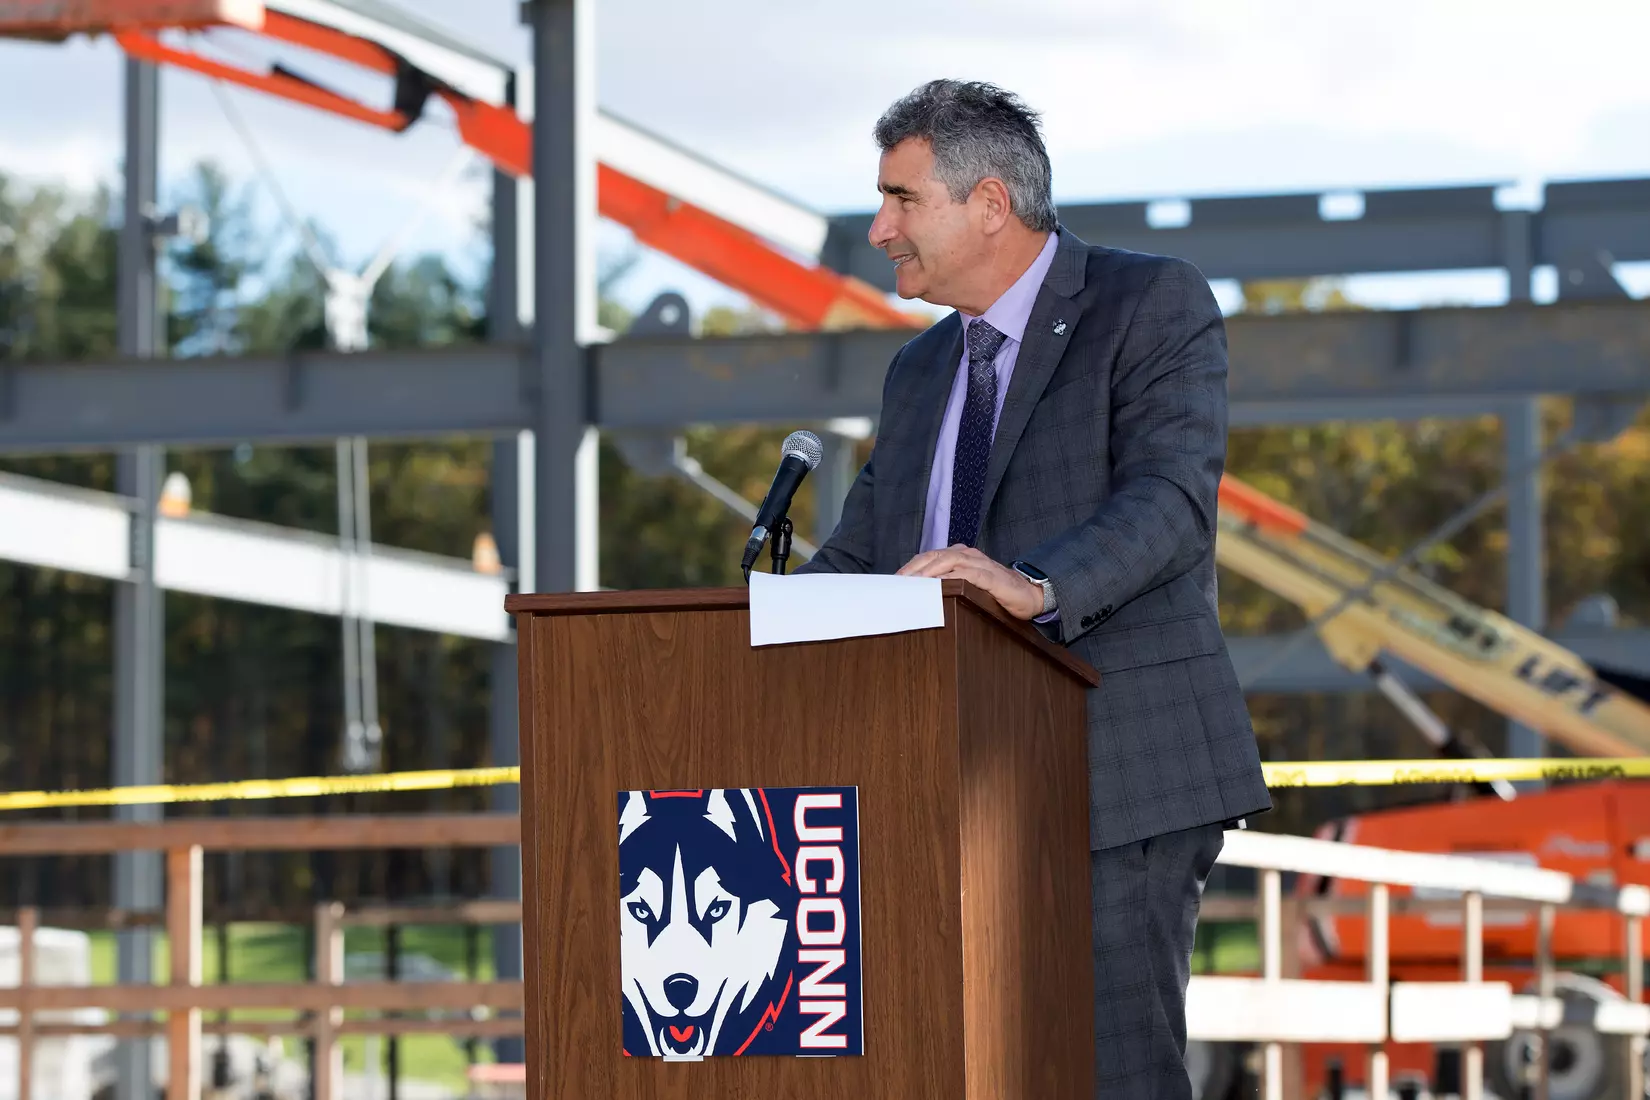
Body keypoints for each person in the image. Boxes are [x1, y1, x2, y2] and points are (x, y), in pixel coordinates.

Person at [794, 79, 1272, 1098]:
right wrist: (743, 628)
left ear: (990, 204)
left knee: (1109, 1076)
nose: (878, 228)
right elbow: (868, 549)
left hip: (1112, 771)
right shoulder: (919, 369)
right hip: (935, 786)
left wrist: (1031, 583)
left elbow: (1171, 500)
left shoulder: (1151, 302)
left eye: (899, 198)